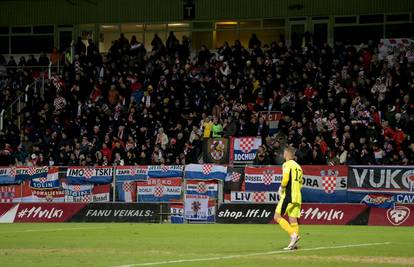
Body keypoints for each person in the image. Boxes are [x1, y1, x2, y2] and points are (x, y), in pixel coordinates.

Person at [274, 146, 303, 250]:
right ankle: (293, 243)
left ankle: (293, 235)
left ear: (286, 154)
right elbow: (300, 183)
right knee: (293, 219)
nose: (283, 155)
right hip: (298, 196)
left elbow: (285, 178)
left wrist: (281, 188)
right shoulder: (298, 167)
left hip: (289, 195)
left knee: (277, 217)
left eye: (284, 153)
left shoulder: (287, 164)